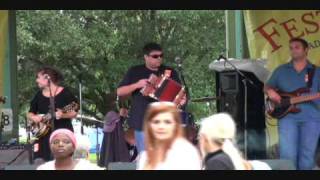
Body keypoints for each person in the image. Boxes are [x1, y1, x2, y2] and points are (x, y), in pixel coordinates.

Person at [117, 42, 187, 153]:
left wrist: (182, 99)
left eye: (161, 56)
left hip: (164, 123)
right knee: (146, 158)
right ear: (146, 57)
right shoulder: (135, 71)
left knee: (165, 157)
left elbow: (180, 94)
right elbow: (120, 91)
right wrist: (137, 85)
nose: (159, 58)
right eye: (155, 56)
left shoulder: (170, 72)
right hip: (142, 123)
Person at [264, 38, 320, 170]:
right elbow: (266, 86)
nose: (293, 50)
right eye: (291, 47)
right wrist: (270, 91)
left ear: (306, 50)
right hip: (287, 118)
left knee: (307, 156)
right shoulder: (281, 70)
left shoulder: (317, 71)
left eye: (297, 47)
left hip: (312, 118)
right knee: (288, 156)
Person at [27, 66, 79, 161]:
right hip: (43, 135)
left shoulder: (65, 93)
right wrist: (34, 117)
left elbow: (75, 111)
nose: (36, 80)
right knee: (43, 161)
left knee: (63, 161)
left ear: (47, 78)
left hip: (62, 133)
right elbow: (30, 113)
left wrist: (63, 115)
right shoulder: (38, 95)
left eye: (38, 77)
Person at [137, 102, 201, 170]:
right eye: (156, 122)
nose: (161, 126)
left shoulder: (189, 153)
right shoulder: (145, 156)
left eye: (167, 122)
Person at [37, 129, 102, 170]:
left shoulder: (87, 167)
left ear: (74, 147)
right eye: (55, 142)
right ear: (50, 147)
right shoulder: (44, 168)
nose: (60, 144)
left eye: (66, 142)